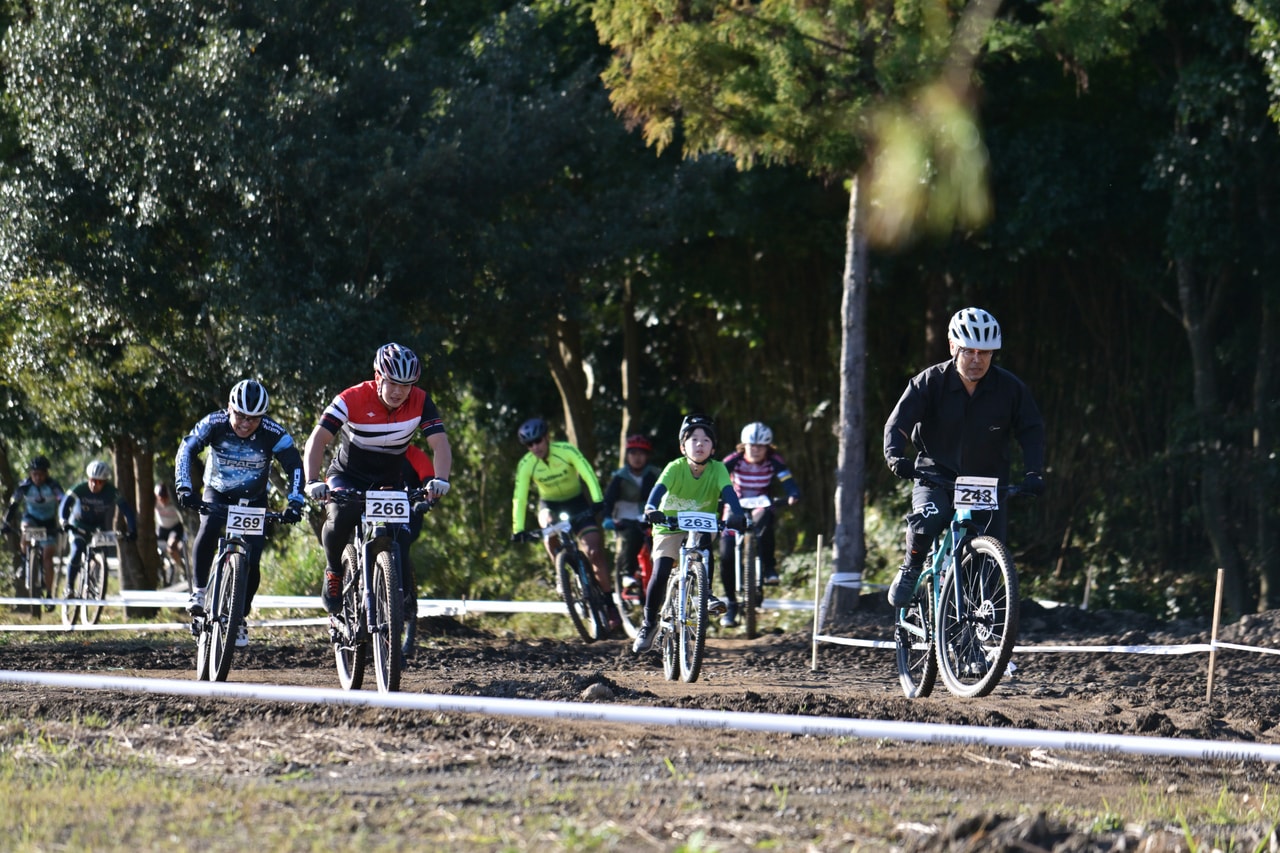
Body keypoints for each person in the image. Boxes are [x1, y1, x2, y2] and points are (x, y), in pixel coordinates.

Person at [883, 306, 1046, 609]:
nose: (976, 359)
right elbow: (899, 423)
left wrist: (1034, 473)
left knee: (987, 566)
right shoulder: (929, 382)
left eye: (984, 353)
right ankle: (911, 567)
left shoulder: (1010, 389)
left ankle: (972, 640)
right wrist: (895, 456)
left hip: (986, 483)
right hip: (936, 476)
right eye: (969, 351)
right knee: (928, 522)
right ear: (952, 347)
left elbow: (1032, 431)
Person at [303, 343, 452, 617]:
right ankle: (334, 571)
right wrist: (312, 480)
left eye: (406, 385)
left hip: (388, 479)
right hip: (347, 475)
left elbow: (440, 444)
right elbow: (318, 439)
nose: (399, 392)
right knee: (340, 517)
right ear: (378, 377)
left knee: (401, 533)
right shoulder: (352, 398)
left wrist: (440, 478)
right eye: (393, 383)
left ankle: (399, 596)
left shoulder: (420, 400)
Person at [175, 379, 305, 647]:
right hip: (218, 490)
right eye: (240, 416)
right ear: (229, 409)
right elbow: (187, 449)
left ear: (263, 417)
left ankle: (239, 617)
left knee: (253, 560)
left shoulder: (274, 433)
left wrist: (295, 501)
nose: (246, 423)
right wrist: (185, 487)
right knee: (210, 526)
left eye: (254, 418)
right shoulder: (214, 423)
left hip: (254, 498)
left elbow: (294, 465)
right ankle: (199, 593)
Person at [632, 414, 747, 655]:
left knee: (705, 545)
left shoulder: (718, 469)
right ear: (683, 446)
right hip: (668, 525)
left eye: (706, 440)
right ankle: (648, 623)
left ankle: (705, 594)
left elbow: (729, 493)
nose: (700, 444)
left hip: (702, 523)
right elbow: (658, 490)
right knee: (661, 570)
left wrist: (737, 513)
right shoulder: (675, 467)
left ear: (713, 447)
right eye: (693, 439)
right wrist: (651, 508)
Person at [510, 417, 621, 631]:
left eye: (538, 441)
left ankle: (610, 605)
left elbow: (587, 471)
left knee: (594, 551)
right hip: (549, 504)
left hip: (577, 503)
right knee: (547, 526)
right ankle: (562, 575)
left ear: (547, 437)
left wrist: (598, 500)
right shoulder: (526, 464)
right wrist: (518, 529)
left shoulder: (565, 450)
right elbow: (520, 497)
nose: (535, 447)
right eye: (530, 444)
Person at [717, 421, 802, 627]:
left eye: (760, 447)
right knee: (726, 554)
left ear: (768, 447)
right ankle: (731, 604)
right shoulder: (733, 460)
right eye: (751, 446)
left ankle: (769, 568)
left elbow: (787, 479)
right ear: (743, 445)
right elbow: (715, 477)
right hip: (734, 507)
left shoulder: (774, 461)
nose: (755, 450)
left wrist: (792, 493)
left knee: (764, 522)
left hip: (760, 505)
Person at [59, 460, 139, 599]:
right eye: (92, 480)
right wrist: (64, 521)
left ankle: (93, 578)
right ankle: (69, 588)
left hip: (97, 527)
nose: (95, 485)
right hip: (78, 525)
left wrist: (132, 530)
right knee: (77, 550)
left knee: (101, 553)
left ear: (106, 482)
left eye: (99, 482)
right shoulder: (80, 488)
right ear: (88, 479)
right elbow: (65, 504)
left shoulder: (112, 492)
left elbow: (127, 510)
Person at [601, 434, 660, 603]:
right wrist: (607, 518)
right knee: (632, 535)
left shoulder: (656, 474)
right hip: (625, 516)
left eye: (641, 453)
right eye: (633, 453)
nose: (637, 457)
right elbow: (609, 500)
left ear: (647, 456)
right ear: (627, 456)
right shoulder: (619, 477)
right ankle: (628, 574)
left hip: (649, 515)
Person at [2, 456, 66, 598]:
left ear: (46, 474)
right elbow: (13, 505)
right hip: (31, 519)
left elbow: (63, 502)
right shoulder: (24, 486)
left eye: (41, 474)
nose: (38, 477)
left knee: (48, 559)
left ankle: (49, 593)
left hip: (48, 522)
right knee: (25, 528)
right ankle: (25, 562)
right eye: (34, 474)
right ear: (30, 474)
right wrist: (6, 523)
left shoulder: (53, 486)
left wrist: (65, 521)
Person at [154, 483, 187, 581]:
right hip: (162, 528)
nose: (163, 501)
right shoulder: (154, 501)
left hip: (175, 527)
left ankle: (181, 568)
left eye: (165, 498)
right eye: (161, 499)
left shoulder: (174, 500)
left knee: (172, 547)